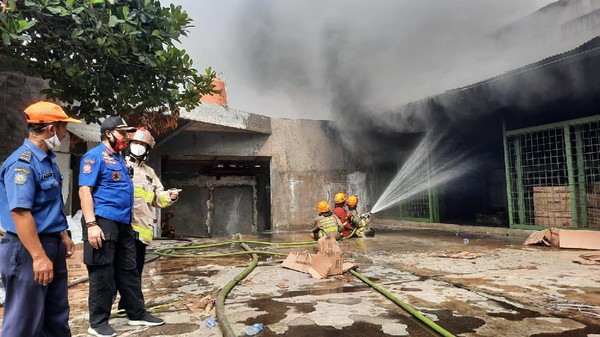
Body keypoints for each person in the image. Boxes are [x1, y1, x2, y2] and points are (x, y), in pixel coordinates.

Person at [79, 116, 164, 337]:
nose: (126, 138)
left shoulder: (119, 159)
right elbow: (85, 191)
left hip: (123, 223)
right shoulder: (94, 157)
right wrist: (91, 225)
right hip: (103, 221)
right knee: (103, 274)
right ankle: (97, 323)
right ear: (109, 134)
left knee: (128, 270)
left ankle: (136, 312)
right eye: (122, 133)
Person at [0, 101, 80, 337]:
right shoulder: (22, 164)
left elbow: (50, 204)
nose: (66, 134)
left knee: (56, 317)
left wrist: (62, 234)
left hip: (50, 244)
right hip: (27, 248)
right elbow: (20, 213)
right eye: (64, 128)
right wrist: (38, 257)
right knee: (24, 321)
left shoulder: (47, 159)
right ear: (51, 129)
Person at [125, 128, 179, 276]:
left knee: (135, 274)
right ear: (128, 144)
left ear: (147, 149)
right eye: (135, 142)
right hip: (123, 230)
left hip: (141, 232)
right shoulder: (121, 165)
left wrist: (169, 196)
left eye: (142, 144)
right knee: (119, 274)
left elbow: (156, 197)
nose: (138, 146)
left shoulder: (149, 172)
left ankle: (131, 300)